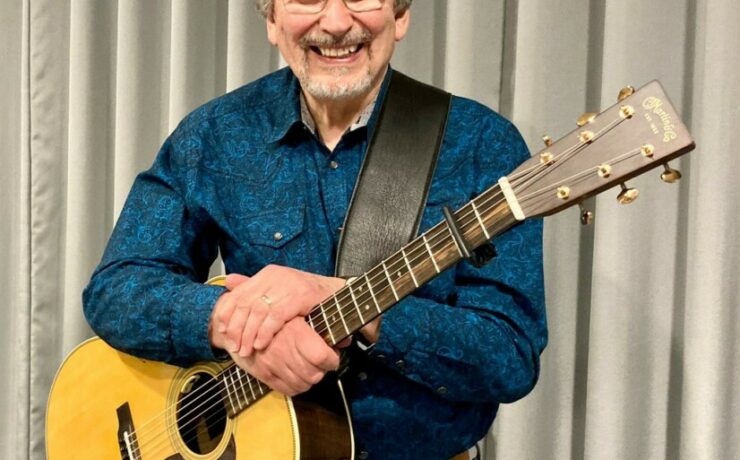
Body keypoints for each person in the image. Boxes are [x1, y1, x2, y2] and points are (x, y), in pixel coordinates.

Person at [83, 0, 547, 458]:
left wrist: (352, 305)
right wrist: (231, 323)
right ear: (272, 19)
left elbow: (509, 355)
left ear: (400, 15)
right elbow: (116, 290)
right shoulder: (215, 134)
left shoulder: (482, 143)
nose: (337, 21)